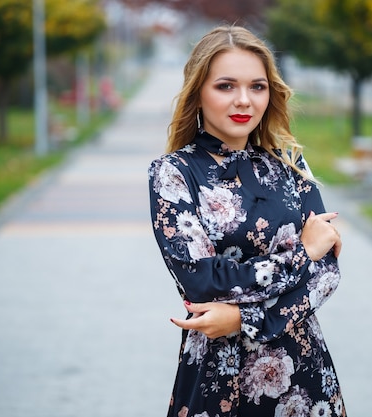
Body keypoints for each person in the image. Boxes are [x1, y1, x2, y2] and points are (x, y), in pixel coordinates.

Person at [148, 25, 346, 417]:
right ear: (198, 93)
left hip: (303, 374)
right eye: (225, 86)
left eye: (257, 86)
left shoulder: (289, 164)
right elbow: (201, 281)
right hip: (219, 377)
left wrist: (242, 318)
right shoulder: (174, 173)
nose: (244, 101)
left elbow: (325, 274)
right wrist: (301, 253)